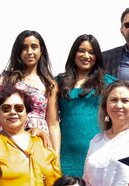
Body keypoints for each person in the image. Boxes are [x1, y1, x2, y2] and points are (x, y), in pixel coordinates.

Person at [49, 34, 116, 176]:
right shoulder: (59, 82)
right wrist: (55, 155)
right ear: (73, 53)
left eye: (91, 52)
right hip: (65, 151)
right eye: (81, 51)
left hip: (97, 151)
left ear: (97, 56)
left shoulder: (108, 83)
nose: (86, 56)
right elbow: (53, 122)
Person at [0, 30, 57, 142]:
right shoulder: (6, 78)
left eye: (34, 47)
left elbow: (53, 124)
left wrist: (56, 154)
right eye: (24, 48)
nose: (29, 52)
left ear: (41, 51)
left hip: (38, 140)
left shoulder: (49, 84)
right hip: (9, 136)